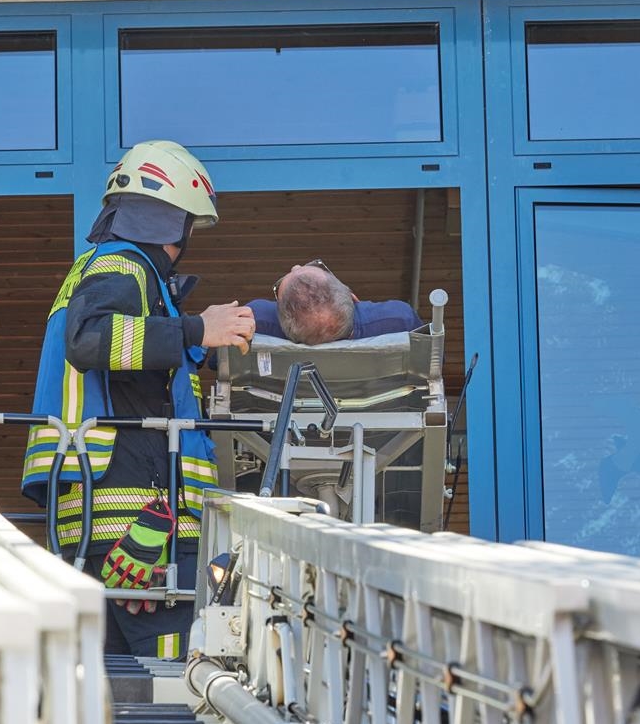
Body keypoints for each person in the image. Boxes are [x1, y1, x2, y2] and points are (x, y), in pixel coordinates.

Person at [22, 140, 254, 658]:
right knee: (184, 682)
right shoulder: (122, 267)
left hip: (100, 520)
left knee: (100, 694)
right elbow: (91, 341)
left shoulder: (103, 271)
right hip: (137, 523)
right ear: (171, 221)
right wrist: (196, 328)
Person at [247, 261, 423, 344]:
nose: (296, 267)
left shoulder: (251, 325)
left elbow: (222, 367)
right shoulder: (399, 321)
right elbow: (431, 364)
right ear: (352, 296)